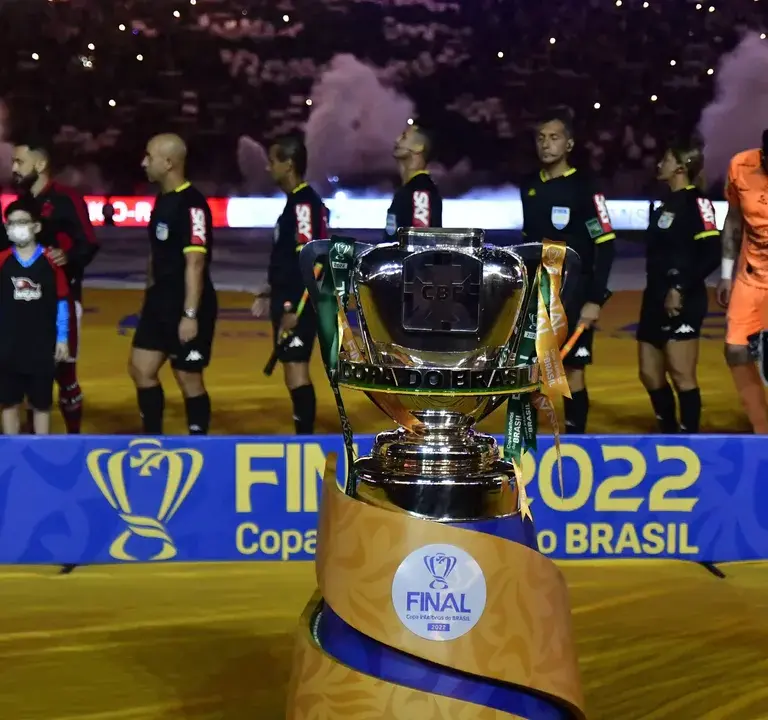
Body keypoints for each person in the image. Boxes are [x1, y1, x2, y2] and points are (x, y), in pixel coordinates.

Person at [520, 107, 616, 434]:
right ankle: (527, 444)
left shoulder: (587, 188)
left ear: (570, 144)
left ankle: (576, 442)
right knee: (529, 369)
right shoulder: (529, 187)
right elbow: (527, 243)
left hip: (573, 295)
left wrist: (595, 299)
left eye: (554, 138)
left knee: (573, 369)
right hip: (536, 295)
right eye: (541, 138)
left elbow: (605, 244)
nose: (546, 145)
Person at [129, 133, 218, 435]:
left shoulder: (193, 205)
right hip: (159, 302)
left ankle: (199, 443)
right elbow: (157, 255)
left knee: (187, 377)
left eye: (149, 157)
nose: (144, 163)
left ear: (168, 163)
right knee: (141, 369)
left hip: (187, 303)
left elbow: (195, 262)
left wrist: (190, 315)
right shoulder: (162, 200)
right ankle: (153, 437)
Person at [10, 136, 99, 434]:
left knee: (65, 373)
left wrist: (68, 256)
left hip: (61, 300)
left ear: (41, 163)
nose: (14, 168)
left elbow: (88, 242)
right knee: (20, 369)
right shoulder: (19, 206)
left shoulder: (66, 199)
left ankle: (73, 437)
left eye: (19, 162)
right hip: (21, 302)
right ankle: (24, 439)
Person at [637, 145, 720, 433]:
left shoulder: (699, 203)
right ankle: (670, 431)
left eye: (666, 159)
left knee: (682, 374)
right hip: (654, 297)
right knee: (649, 373)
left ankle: (689, 439)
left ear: (681, 167)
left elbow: (711, 252)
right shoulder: (663, 204)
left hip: (684, 298)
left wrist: (680, 287)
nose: (659, 163)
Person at [251, 134, 328, 434]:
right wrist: (270, 288)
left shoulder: (304, 206)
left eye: (273, 161)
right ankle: (303, 434)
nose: (269, 168)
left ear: (288, 164)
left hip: (298, 302)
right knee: (292, 370)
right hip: (289, 298)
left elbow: (312, 260)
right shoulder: (297, 204)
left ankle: (305, 440)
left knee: (296, 369)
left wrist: (292, 307)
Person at [0, 198, 70, 435]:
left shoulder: (52, 262)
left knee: (41, 405)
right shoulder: (2, 262)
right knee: (8, 403)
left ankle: (43, 452)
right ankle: (12, 455)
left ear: (36, 227)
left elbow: (62, 301)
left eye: (22, 222)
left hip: (41, 347)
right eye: (11, 223)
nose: (16, 227)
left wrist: (62, 338)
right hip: (7, 347)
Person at [717, 129, 768, 433]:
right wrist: (725, 273)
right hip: (751, 276)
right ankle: (762, 428)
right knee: (735, 350)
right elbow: (733, 220)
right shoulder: (740, 166)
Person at [383, 124, 443, 242]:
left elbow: (421, 245)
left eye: (404, 137)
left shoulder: (421, 192)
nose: (396, 140)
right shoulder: (410, 189)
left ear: (418, 147)